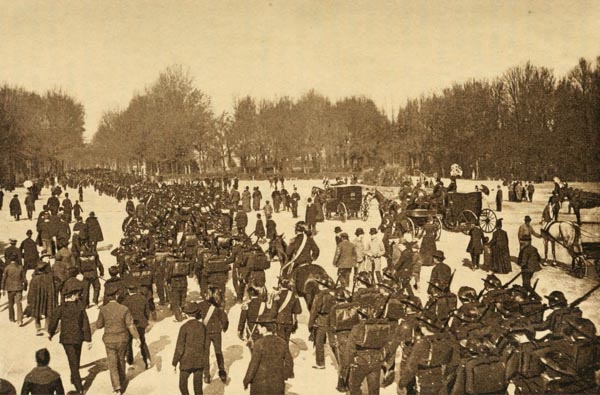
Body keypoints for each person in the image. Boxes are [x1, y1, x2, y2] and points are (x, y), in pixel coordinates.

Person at [48, 281, 91, 395]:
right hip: (79, 338)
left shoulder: (61, 308)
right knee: (76, 359)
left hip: (66, 339)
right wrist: (88, 339)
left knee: (72, 361)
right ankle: (78, 384)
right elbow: (85, 324)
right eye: (77, 294)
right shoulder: (80, 308)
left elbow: (53, 322)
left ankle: (77, 383)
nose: (79, 296)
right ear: (72, 295)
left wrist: (50, 333)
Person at [96, 286, 140, 394]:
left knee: (112, 363)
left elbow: (98, 325)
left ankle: (117, 387)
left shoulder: (103, 309)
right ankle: (122, 380)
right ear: (116, 296)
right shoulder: (124, 309)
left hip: (109, 340)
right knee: (121, 360)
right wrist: (137, 337)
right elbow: (130, 325)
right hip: (122, 339)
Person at [243, 313, 294, 395]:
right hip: (277, 385)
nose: (258, 329)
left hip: (260, 385)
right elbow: (289, 362)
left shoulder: (259, 343)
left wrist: (246, 380)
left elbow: (253, 365)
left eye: (259, 327)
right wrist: (283, 376)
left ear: (264, 328)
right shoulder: (282, 342)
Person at [173, 302, 207, 395]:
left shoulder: (184, 327)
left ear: (186, 314)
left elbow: (180, 348)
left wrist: (174, 362)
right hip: (199, 361)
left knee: (182, 386)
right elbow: (205, 345)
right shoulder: (202, 326)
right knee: (198, 388)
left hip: (186, 362)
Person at [199, 288, 229, 384]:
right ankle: (222, 372)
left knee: (205, 353)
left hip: (206, 332)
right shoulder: (218, 307)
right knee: (218, 352)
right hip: (216, 332)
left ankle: (206, 375)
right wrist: (224, 328)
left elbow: (196, 315)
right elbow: (224, 319)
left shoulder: (202, 305)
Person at [122, 280, 152, 369]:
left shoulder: (125, 301)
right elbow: (147, 312)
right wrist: (145, 320)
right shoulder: (143, 298)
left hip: (129, 324)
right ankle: (147, 360)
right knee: (142, 341)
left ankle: (130, 360)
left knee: (128, 342)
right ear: (136, 289)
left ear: (128, 290)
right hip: (141, 324)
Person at [27, 256, 57, 335]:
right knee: (48, 312)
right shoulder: (49, 277)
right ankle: (47, 329)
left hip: (37, 299)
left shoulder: (34, 278)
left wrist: (29, 300)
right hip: (48, 298)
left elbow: (30, 291)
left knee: (36, 312)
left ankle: (38, 328)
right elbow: (54, 288)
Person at [1, 258, 27, 325]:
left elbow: (4, 279)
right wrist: (25, 287)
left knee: (10, 303)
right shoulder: (20, 267)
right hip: (19, 288)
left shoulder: (7, 268)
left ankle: (12, 318)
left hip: (10, 288)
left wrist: (2, 288)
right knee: (19, 303)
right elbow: (24, 279)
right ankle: (20, 320)